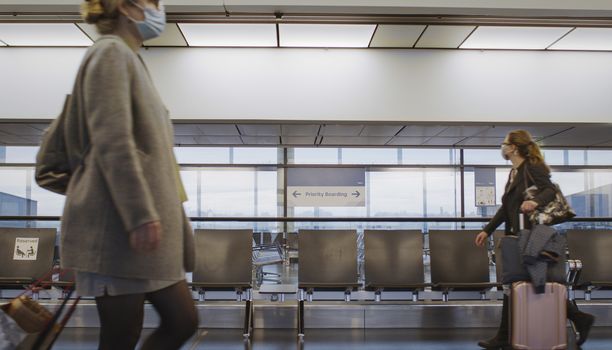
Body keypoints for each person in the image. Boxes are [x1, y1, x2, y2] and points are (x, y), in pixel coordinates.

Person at [59, 0, 197, 348]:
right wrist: (138, 214)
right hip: (120, 233)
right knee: (124, 336)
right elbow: (113, 140)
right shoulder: (110, 54)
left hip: (142, 237)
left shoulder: (130, 59)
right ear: (125, 6)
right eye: (153, 3)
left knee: (181, 321)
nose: (159, 10)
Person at [474, 130, 594, 349]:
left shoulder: (532, 168)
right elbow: (506, 207)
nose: (503, 147)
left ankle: (505, 336)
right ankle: (577, 317)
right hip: (517, 235)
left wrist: (535, 202)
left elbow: (549, 189)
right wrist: (488, 230)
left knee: (526, 281)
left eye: (505, 143)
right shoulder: (514, 173)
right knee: (518, 282)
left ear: (514, 147)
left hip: (532, 236)